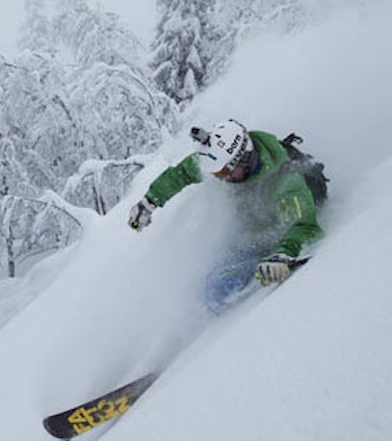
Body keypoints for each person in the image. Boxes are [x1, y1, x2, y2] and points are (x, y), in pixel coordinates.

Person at [127, 118, 323, 307]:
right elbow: (182, 174)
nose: (220, 178)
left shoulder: (284, 179)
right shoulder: (225, 164)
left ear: (244, 158)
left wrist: (283, 254)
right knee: (196, 285)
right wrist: (150, 200)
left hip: (273, 247)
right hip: (247, 237)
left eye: (222, 173)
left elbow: (305, 226)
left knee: (217, 290)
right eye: (215, 174)